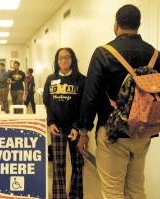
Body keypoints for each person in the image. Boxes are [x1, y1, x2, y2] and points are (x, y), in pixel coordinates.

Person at [77, 4, 160, 199]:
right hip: (142, 133)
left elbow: (91, 97)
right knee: (136, 189)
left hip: (112, 133)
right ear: (139, 24)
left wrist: (83, 131)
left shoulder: (103, 53)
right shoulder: (155, 55)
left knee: (113, 191)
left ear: (116, 24)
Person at [43, 48, 85, 199]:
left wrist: (77, 126)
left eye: (67, 57)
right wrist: (50, 122)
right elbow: (47, 103)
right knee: (58, 164)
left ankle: (76, 195)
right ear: (57, 61)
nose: (64, 60)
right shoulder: (50, 79)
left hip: (76, 129)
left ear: (73, 59)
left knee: (78, 164)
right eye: (60, 58)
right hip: (57, 127)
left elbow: (84, 106)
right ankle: (59, 196)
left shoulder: (81, 80)